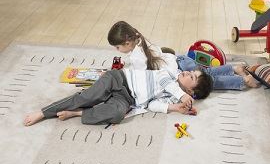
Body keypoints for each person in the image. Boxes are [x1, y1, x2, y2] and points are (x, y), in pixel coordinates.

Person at [23, 67, 213, 126]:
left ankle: (78, 114)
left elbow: (151, 105)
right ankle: (43, 112)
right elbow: (165, 81)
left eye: (192, 77)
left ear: (191, 92)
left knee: (117, 115)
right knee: (87, 96)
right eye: (191, 71)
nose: (188, 73)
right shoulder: (171, 73)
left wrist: (174, 107)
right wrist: (180, 95)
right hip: (119, 79)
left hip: (127, 99)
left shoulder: (174, 98)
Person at [161, 47, 260, 90]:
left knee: (208, 83)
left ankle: (243, 80)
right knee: (206, 73)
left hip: (182, 65)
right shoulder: (163, 56)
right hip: (182, 60)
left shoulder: (160, 66)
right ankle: (234, 69)